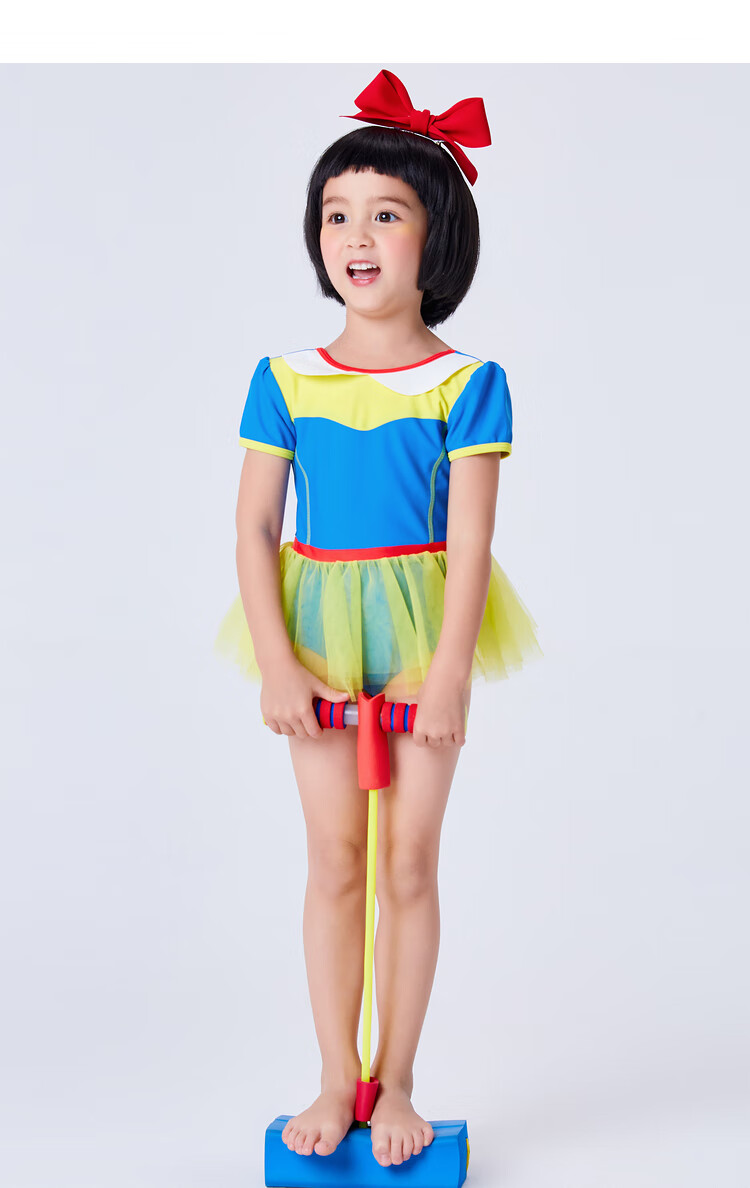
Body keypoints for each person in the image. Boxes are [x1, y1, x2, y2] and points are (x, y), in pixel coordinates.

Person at [213, 69, 543, 1170]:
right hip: (313, 630)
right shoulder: (283, 378)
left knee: (407, 863)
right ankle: (331, 1075)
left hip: (422, 630)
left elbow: (473, 543)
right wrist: (277, 662)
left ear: (435, 237)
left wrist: (447, 675)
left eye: (386, 215)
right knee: (334, 860)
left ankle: (395, 1079)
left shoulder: (469, 383)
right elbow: (255, 527)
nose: (357, 237)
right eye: (337, 215)